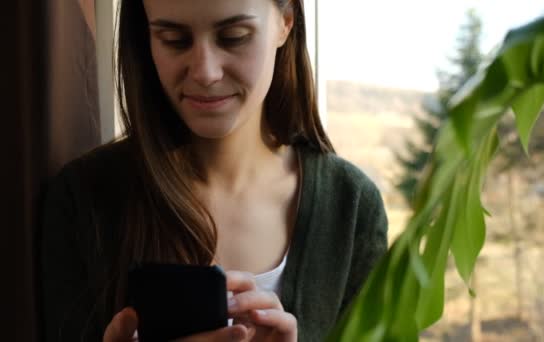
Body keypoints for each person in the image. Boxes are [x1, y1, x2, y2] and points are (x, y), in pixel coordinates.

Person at [40, 0, 388, 341]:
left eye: (234, 36)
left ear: (286, 21)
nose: (205, 73)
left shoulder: (351, 207)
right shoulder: (84, 199)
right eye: (174, 40)